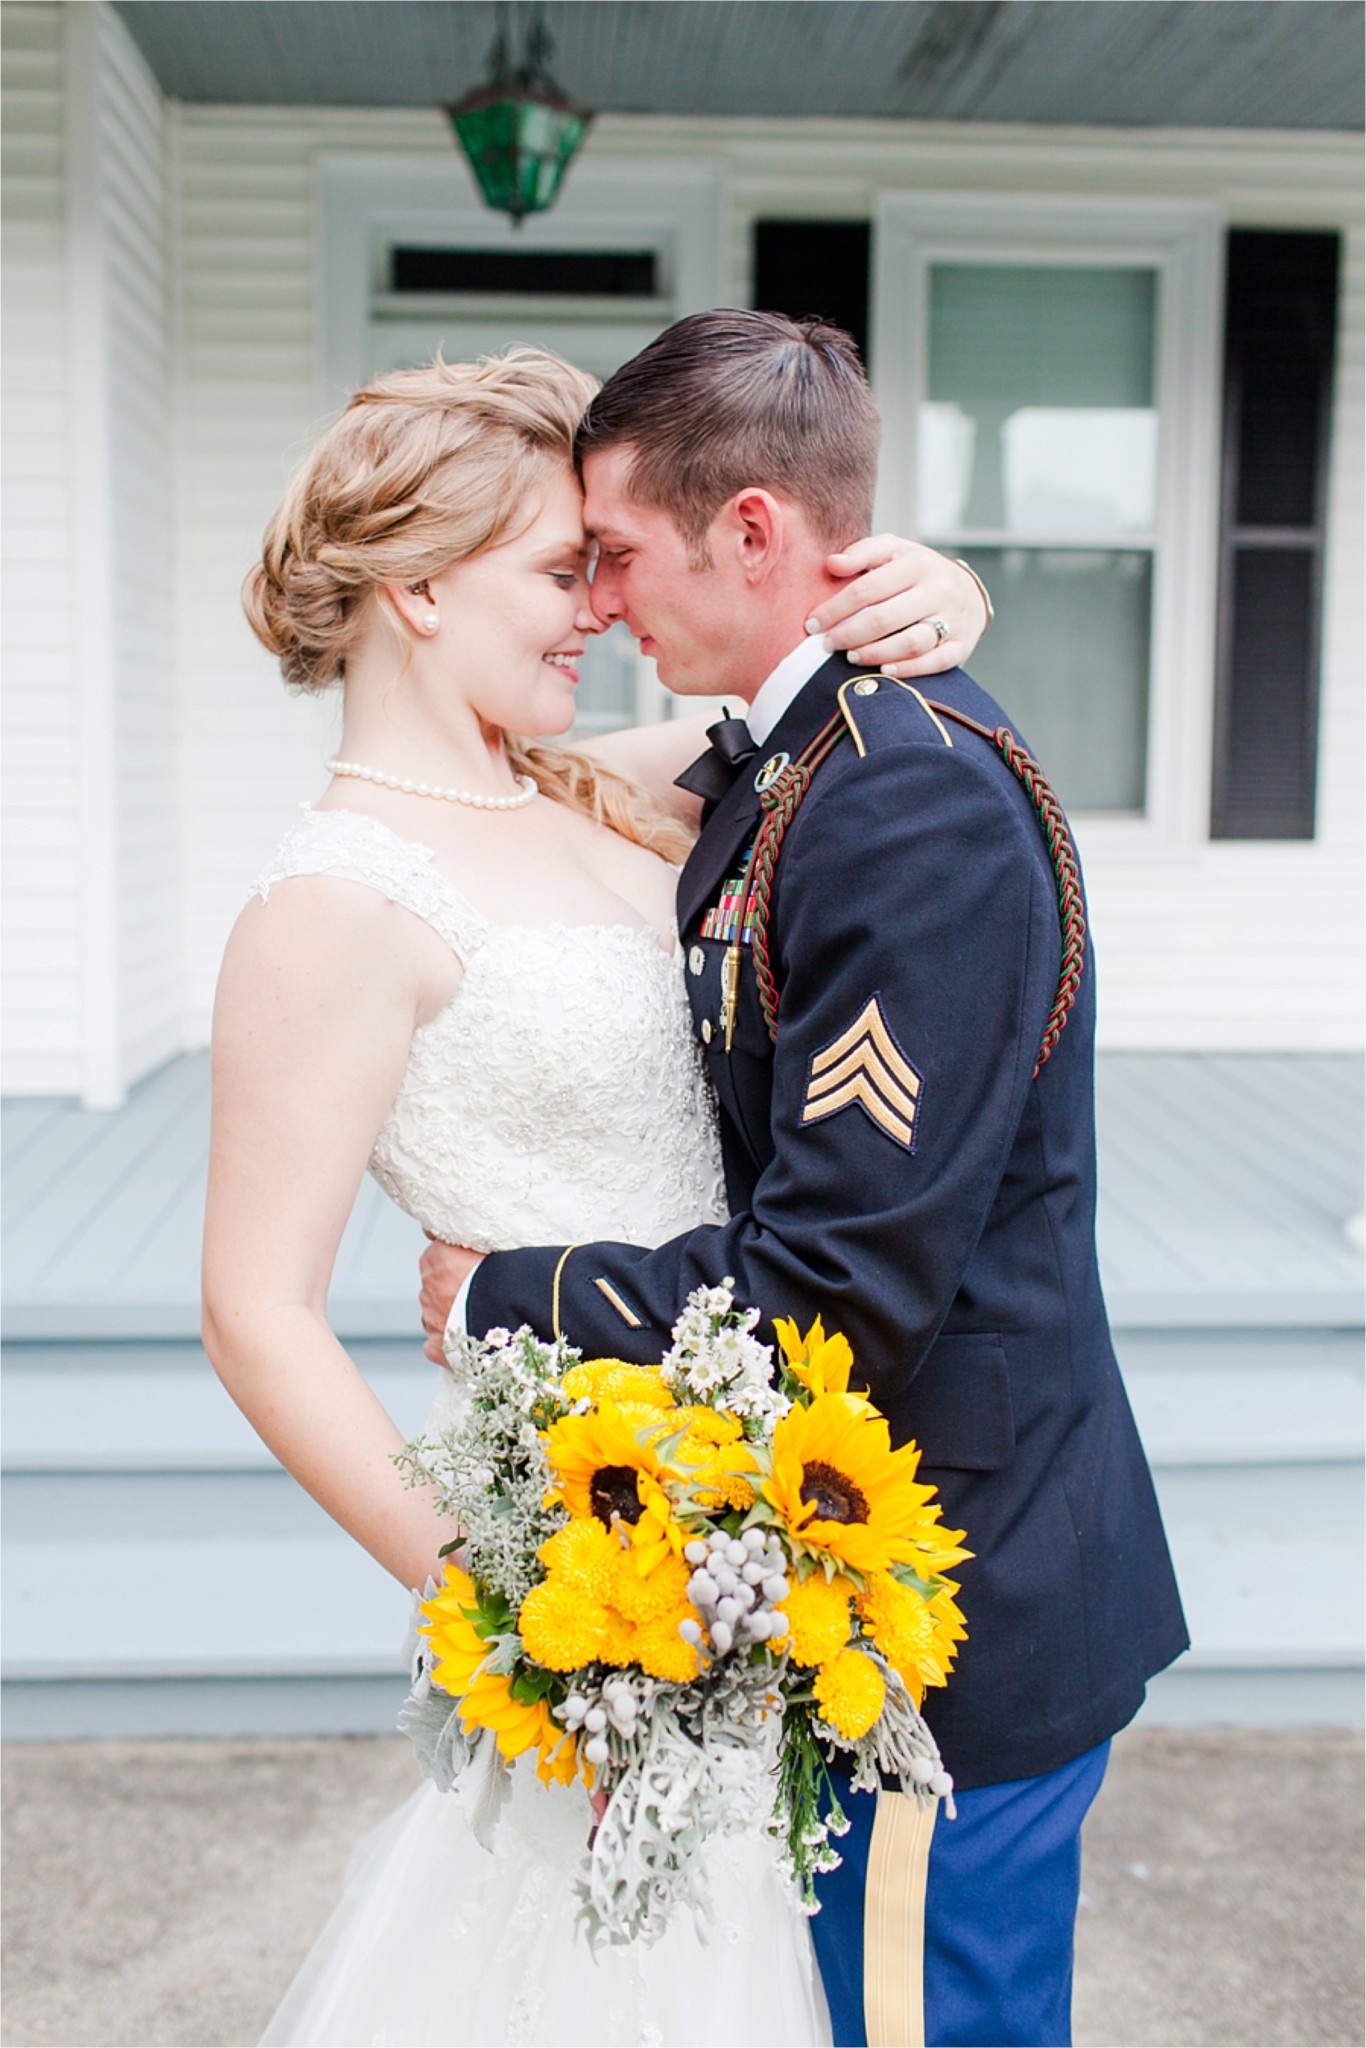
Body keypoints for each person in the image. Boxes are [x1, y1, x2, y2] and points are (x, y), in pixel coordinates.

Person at [419, 311, 1190, 2048]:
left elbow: (834, 1281)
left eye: (614, 552)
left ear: (752, 532)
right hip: (851, 1559)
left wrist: (503, 1288)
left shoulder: (900, 801)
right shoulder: (798, 752)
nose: (600, 598)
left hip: (955, 1606)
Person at [201, 342, 986, 2047]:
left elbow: (796, 707)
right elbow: (254, 1315)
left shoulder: (594, 787)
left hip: (754, 1528)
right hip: (595, 1569)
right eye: (566, 571)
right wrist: (519, 1621)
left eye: (604, 567)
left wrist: (928, 585)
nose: (600, 610)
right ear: (412, 590)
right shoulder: (329, 906)